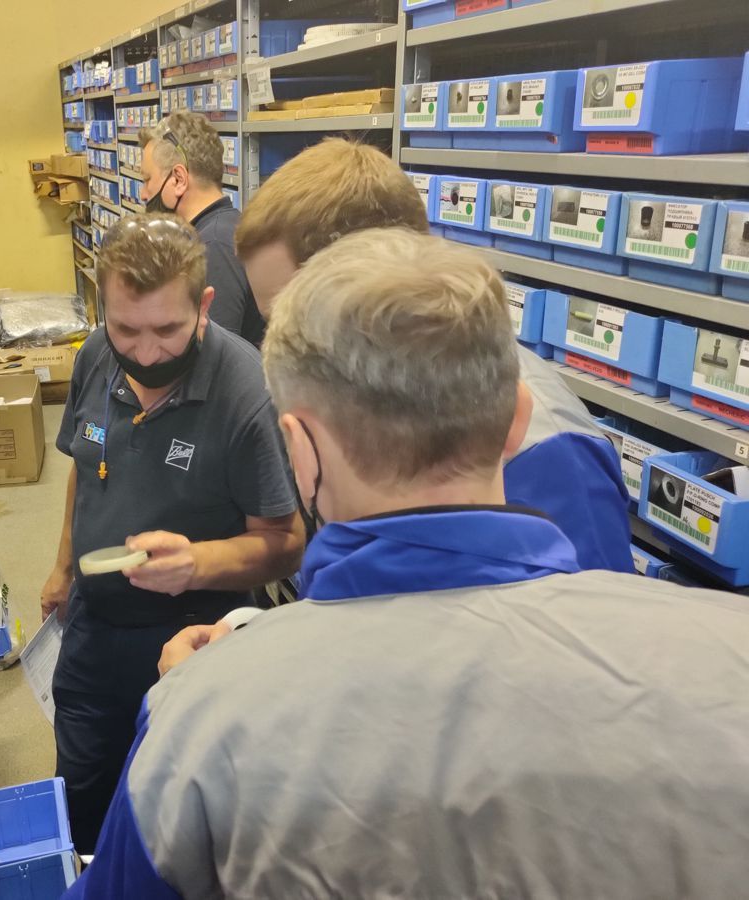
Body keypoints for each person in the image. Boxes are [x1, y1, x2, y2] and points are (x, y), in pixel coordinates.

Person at [67, 230, 749, 898]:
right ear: (517, 421)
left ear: (299, 451)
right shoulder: (730, 650)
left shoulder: (200, 720)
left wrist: (208, 691)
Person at [234, 138, 633, 573]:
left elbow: (581, 607)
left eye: (288, 321)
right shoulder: (360, 403)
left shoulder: (550, 452)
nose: (278, 347)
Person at [41, 213, 303, 854]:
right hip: (93, 632)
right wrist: (64, 567)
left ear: (204, 306)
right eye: (125, 328)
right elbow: (85, 467)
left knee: (181, 827)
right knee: (82, 802)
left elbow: (286, 540)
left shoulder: (247, 391)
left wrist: (197, 563)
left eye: (167, 330)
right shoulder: (95, 356)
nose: (146, 353)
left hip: (196, 641)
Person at [138, 112, 264, 345]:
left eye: (147, 180)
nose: (144, 194)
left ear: (178, 179)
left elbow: (213, 354)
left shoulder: (213, 247)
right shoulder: (224, 227)